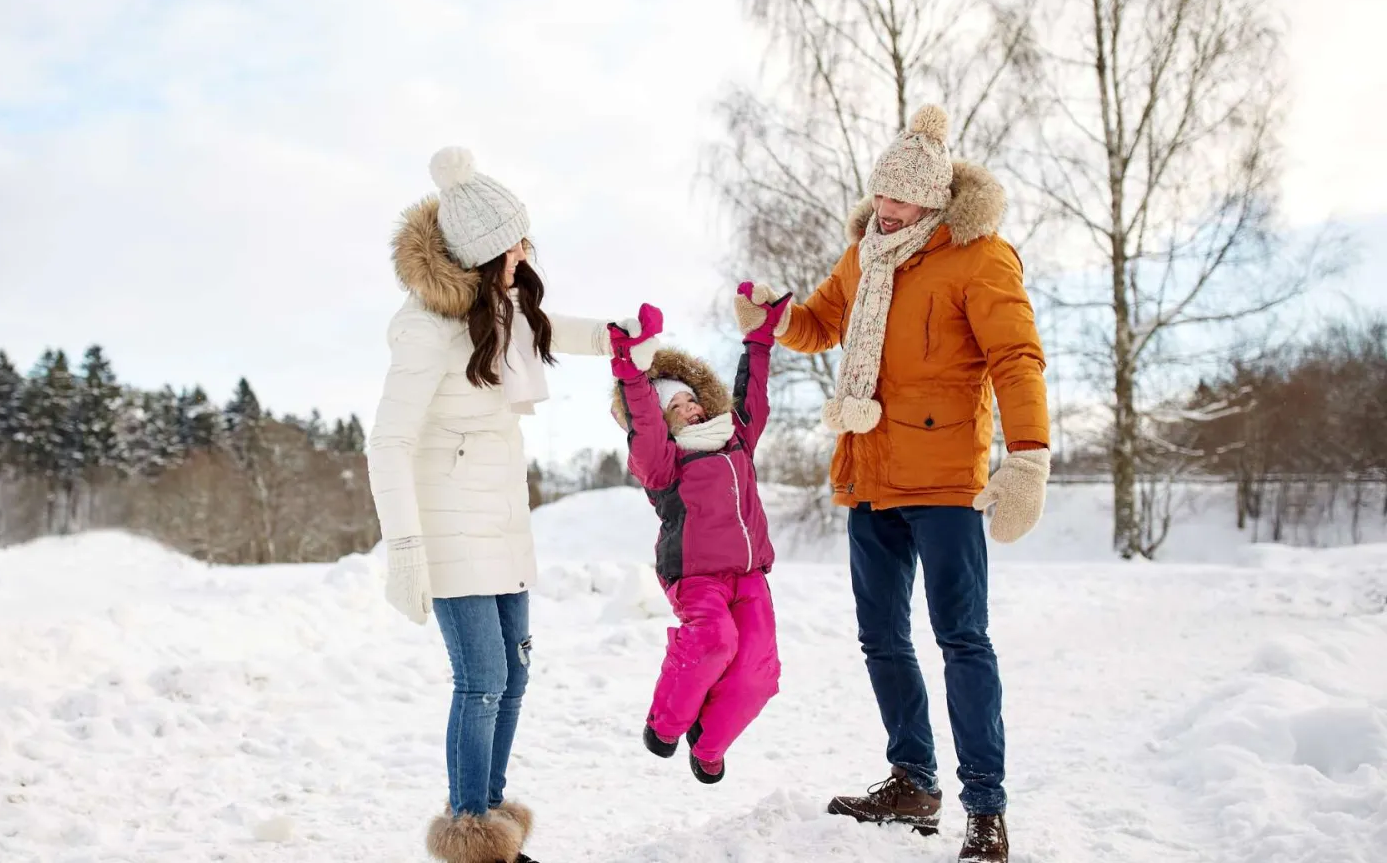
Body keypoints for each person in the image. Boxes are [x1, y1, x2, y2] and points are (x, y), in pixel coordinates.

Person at [738, 106, 1050, 863]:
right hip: (868, 475)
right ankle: (913, 779)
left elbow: (1016, 358)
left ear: (936, 200)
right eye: (880, 195)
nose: (886, 211)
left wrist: (1029, 454)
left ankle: (985, 806)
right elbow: (820, 323)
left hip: (945, 482)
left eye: (902, 201)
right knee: (880, 635)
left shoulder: (980, 257)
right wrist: (775, 319)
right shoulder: (864, 256)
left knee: (961, 640)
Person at [367, 147, 641, 863]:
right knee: (481, 680)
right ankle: (470, 827)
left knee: (513, 678)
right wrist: (404, 550)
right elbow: (387, 443)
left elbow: (553, 329)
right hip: (449, 529)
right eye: (515, 241)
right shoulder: (426, 330)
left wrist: (616, 335)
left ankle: (490, 822)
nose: (526, 249)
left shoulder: (500, 304)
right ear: (486, 253)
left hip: (501, 519)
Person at [608, 285, 791, 785]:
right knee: (713, 641)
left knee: (760, 671)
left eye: (690, 400)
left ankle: (709, 743)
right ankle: (664, 724)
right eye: (675, 407)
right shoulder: (663, 461)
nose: (688, 409)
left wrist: (759, 338)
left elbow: (753, 394)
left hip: (750, 574)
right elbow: (643, 424)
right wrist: (632, 372)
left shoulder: (735, 437)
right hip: (695, 576)